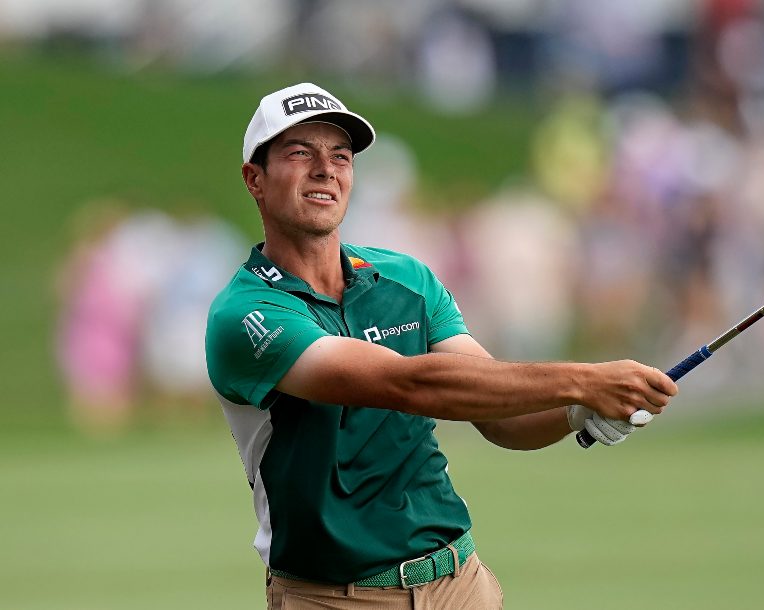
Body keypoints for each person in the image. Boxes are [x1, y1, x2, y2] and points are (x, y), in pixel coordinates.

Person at [204, 83, 679, 609]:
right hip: (334, 598)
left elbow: (499, 415)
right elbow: (406, 384)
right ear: (255, 179)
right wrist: (585, 381)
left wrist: (576, 411)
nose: (325, 170)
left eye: (340, 156)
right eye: (300, 153)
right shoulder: (246, 314)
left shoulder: (406, 278)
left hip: (460, 582)